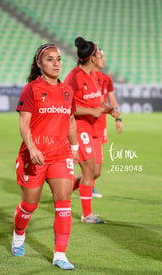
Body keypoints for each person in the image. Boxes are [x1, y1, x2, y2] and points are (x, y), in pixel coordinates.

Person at [11, 43, 78, 270]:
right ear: (39, 64)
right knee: (30, 205)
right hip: (35, 155)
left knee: (64, 205)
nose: (56, 63)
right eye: (50, 59)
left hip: (60, 154)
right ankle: (19, 235)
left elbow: (70, 121)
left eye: (59, 59)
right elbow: (24, 122)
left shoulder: (68, 90)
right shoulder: (32, 89)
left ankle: (60, 255)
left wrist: (75, 148)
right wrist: (32, 148)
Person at [64, 36, 106, 224]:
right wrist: (91, 110)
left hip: (94, 128)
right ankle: (87, 214)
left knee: (96, 172)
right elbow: (67, 104)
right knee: (88, 170)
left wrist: (108, 110)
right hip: (79, 127)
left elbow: (96, 100)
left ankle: (63, 191)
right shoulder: (74, 78)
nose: (100, 57)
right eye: (98, 54)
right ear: (92, 58)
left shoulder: (93, 76)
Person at [91, 48, 123, 198]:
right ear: (93, 58)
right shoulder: (84, 77)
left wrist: (118, 119)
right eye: (101, 56)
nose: (104, 59)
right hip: (85, 125)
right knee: (85, 161)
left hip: (100, 125)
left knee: (96, 166)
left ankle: (87, 186)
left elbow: (112, 100)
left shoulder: (106, 79)